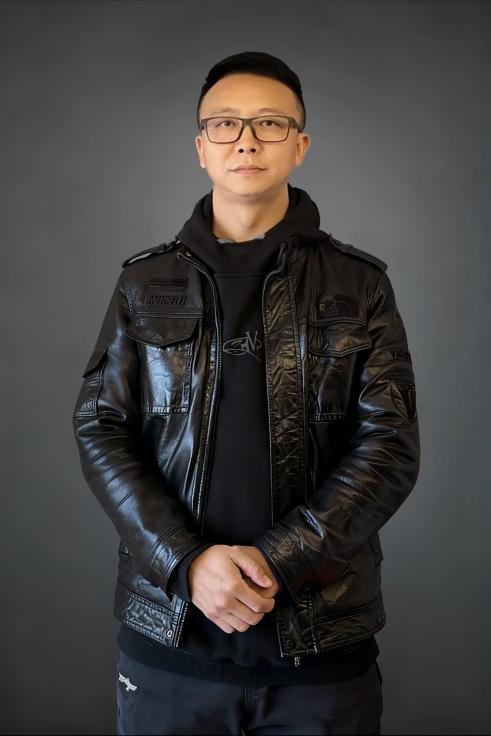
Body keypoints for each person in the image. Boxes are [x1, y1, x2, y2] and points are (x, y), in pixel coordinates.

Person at [72, 51, 420, 736]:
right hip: (170, 645)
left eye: (269, 123)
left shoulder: (359, 284)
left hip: (320, 651)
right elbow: (101, 428)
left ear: (300, 144)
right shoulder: (144, 282)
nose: (246, 141)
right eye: (225, 124)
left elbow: (390, 445)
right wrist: (185, 561)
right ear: (201, 148)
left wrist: (277, 562)